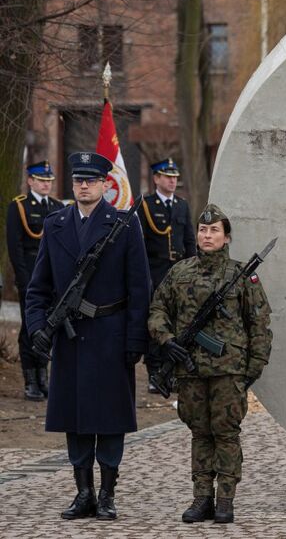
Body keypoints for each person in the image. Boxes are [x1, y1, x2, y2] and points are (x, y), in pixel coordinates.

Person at [25, 152, 151, 521]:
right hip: (69, 339)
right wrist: (37, 329)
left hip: (110, 335)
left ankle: (108, 493)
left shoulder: (124, 226)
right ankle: (84, 492)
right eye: (78, 180)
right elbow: (38, 289)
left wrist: (134, 341)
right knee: (75, 419)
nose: (83, 186)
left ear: (103, 185)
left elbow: (139, 289)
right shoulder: (55, 224)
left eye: (90, 181)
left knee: (110, 419)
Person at [148, 204, 272, 524]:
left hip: (228, 370)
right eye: (203, 230)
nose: (207, 235)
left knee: (226, 433)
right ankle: (202, 497)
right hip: (189, 370)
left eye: (214, 230)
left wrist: (253, 367)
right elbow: (158, 310)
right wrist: (167, 340)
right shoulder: (180, 272)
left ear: (226, 237)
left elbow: (259, 323)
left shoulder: (241, 275)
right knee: (199, 432)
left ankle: (226, 500)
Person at [5, 160, 63, 401]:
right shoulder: (19, 207)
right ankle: (30, 379)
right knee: (30, 327)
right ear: (30, 181)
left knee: (50, 326)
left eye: (49, 181)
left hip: (54, 278)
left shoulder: (58, 207)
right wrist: (23, 280)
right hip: (30, 277)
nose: (46, 184)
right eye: (41, 180)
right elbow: (15, 248)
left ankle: (43, 376)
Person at [138, 157, 196, 392]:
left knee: (175, 322)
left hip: (179, 273)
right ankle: (154, 372)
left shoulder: (181, 205)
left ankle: (170, 371)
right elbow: (139, 244)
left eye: (175, 177)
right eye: (168, 177)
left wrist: (194, 269)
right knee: (155, 323)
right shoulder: (145, 205)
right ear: (156, 179)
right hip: (155, 271)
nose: (173, 181)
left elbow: (189, 241)